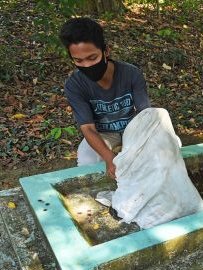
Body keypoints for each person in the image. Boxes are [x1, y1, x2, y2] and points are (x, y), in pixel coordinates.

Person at [59, 17, 150, 179]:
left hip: (133, 129)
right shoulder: (74, 85)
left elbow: (145, 115)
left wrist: (136, 146)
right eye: (78, 60)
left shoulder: (131, 74)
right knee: (87, 159)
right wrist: (109, 157)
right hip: (104, 134)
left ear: (106, 51)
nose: (87, 65)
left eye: (92, 58)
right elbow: (87, 128)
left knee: (170, 144)